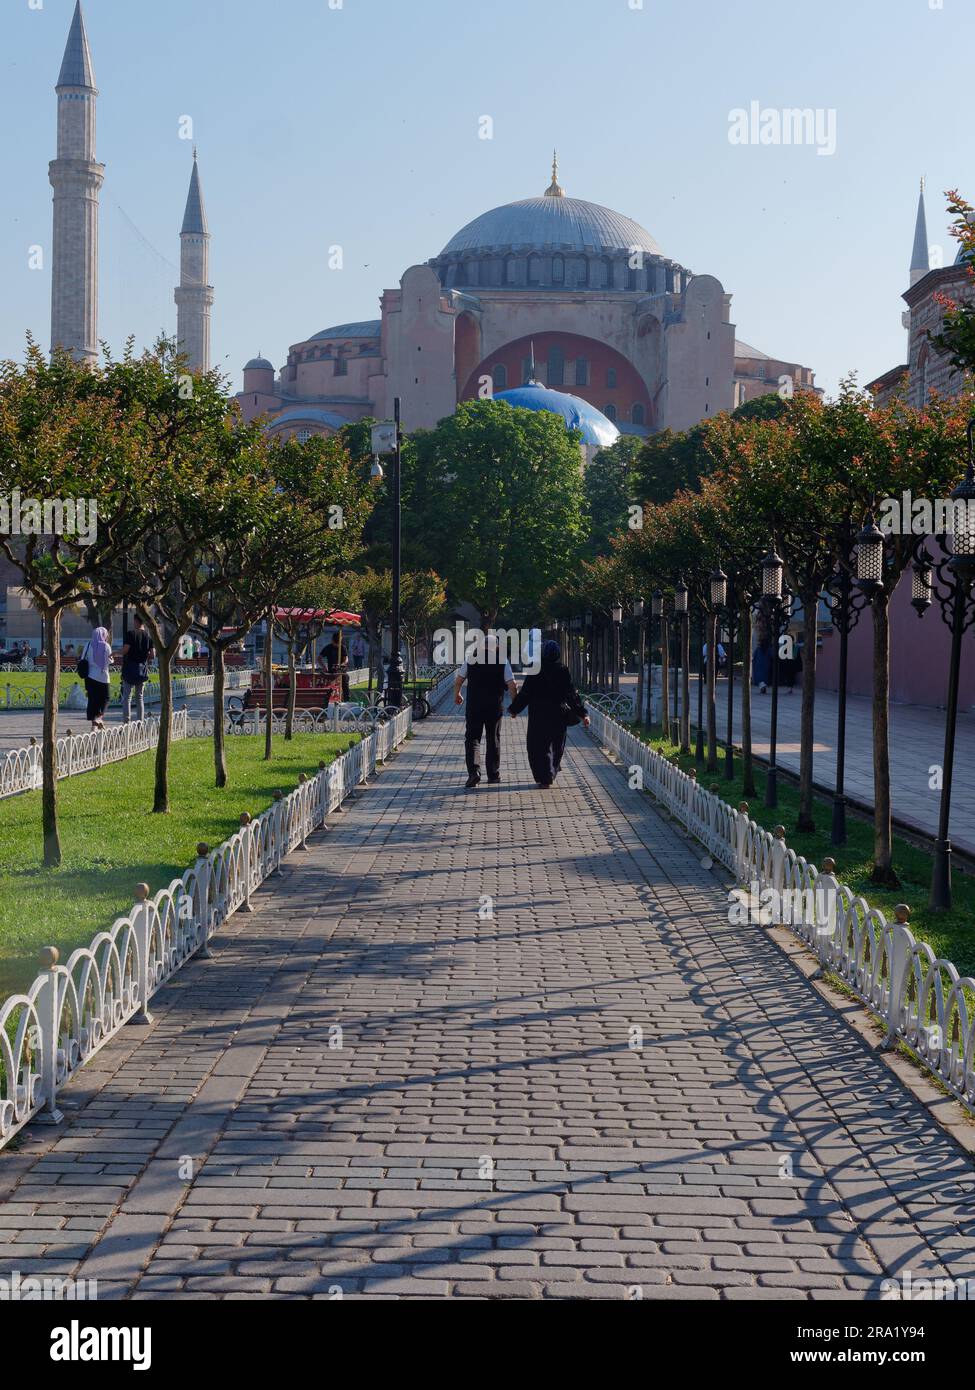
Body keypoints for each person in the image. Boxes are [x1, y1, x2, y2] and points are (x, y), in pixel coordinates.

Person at [509, 639, 589, 788]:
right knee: (557, 745)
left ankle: (544, 774)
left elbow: (525, 693)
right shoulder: (563, 670)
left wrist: (514, 710)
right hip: (558, 714)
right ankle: (550, 771)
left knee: (537, 746)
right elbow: (571, 695)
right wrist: (583, 713)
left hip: (538, 715)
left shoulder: (535, 671)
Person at [454, 638, 518, 789]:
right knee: (493, 738)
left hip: (474, 706)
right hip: (494, 707)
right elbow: (512, 685)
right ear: (496, 647)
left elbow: (459, 680)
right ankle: (493, 775)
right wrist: (515, 706)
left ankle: (474, 772)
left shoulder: (471, 659)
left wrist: (456, 695)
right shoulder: (502, 661)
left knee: (472, 738)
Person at [120, 615, 153, 723]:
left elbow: (125, 650)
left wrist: (115, 652)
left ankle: (126, 723)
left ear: (136, 621)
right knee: (139, 698)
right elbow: (152, 654)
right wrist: (145, 656)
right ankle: (140, 722)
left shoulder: (130, 634)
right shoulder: (148, 637)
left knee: (127, 698)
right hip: (142, 670)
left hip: (129, 669)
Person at [79, 626, 112, 730]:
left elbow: (83, 658)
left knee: (93, 700)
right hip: (103, 677)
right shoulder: (106, 646)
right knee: (105, 698)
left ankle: (94, 725)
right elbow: (109, 661)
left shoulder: (88, 645)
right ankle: (99, 717)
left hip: (89, 677)